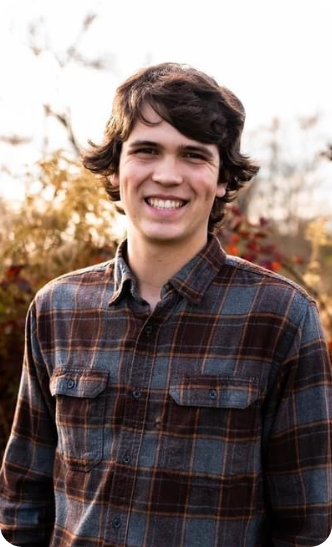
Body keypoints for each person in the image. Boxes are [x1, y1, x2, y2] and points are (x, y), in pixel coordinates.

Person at [0, 62, 331, 547]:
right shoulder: (57, 309)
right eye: (147, 150)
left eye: (193, 155)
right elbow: (23, 497)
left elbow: (308, 526)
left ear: (222, 180)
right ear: (115, 168)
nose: (168, 175)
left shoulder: (280, 318)